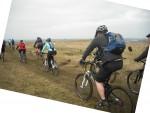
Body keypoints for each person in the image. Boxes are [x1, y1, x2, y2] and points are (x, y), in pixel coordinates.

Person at [80, 25, 123, 108]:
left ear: (98, 32)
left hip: (109, 63)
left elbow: (89, 49)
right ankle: (109, 93)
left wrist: (82, 59)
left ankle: (103, 101)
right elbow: (102, 52)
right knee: (105, 80)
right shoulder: (111, 39)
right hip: (119, 62)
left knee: (98, 80)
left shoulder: (98, 38)